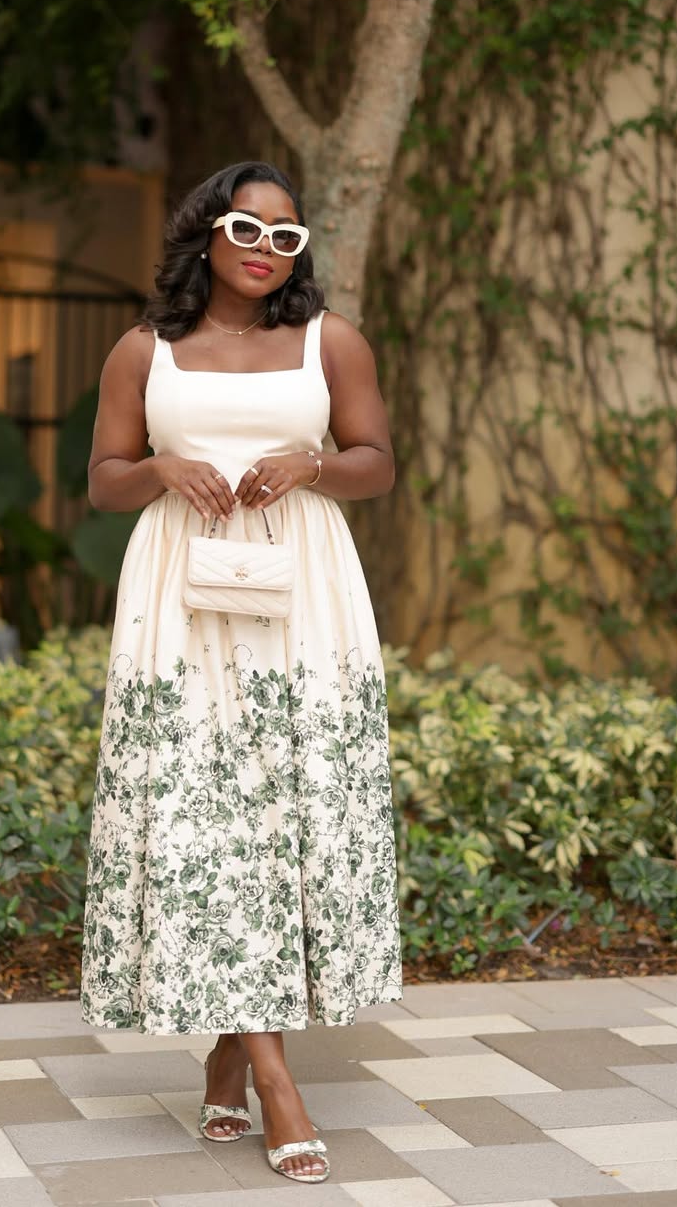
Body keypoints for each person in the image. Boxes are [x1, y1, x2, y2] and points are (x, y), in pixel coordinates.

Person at [80, 160, 401, 1185]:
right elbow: (103, 482)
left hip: (304, 599)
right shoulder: (145, 351)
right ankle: (273, 1080)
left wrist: (313, 464)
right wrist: (159, 469)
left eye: (286, 237)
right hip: (179, 602)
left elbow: (377, 461)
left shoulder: (330, 342)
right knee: (208, 820)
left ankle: (230, 1052)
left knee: (283, 817)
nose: (267, 250)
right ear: (208, 233)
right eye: (249, 229)